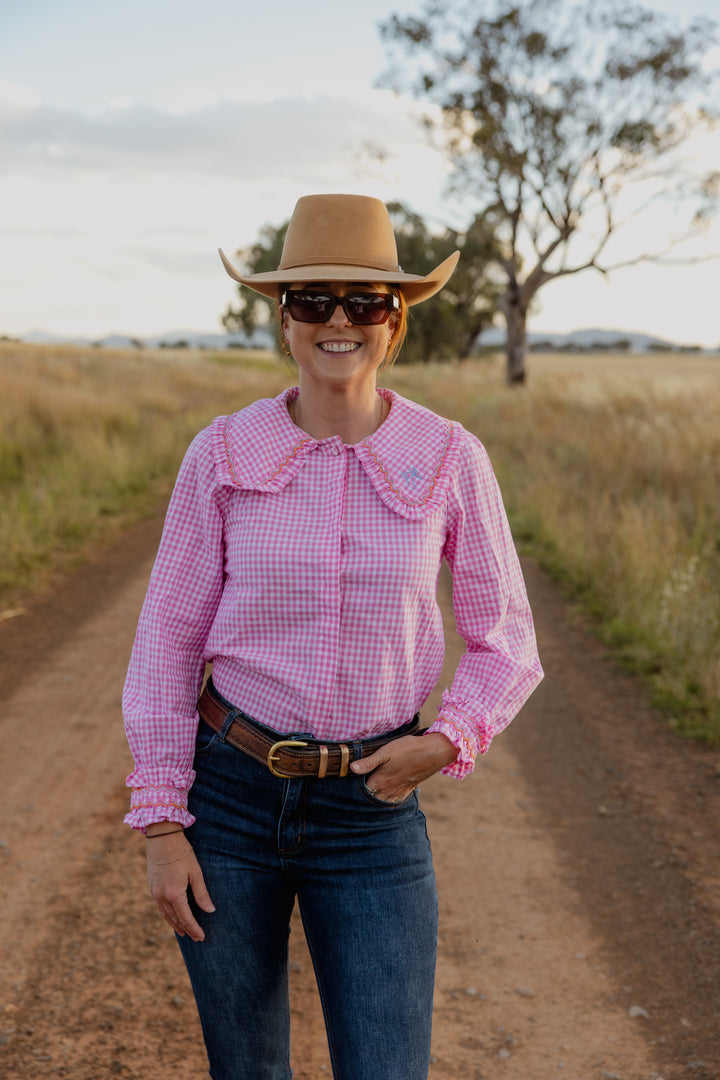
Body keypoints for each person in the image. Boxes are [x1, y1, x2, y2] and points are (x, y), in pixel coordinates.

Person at [122, 193, 543, 1080]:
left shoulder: (450, 457)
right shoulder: (224, 453)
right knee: (247, 1070)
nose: (338, 320)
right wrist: (163, 821)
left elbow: (505, 634)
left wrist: (448, 738)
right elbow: (167, 638)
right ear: (284, 320)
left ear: (396, 324)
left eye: (364, 302)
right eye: (313, 300)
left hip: (373, 813)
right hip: (229, 802)